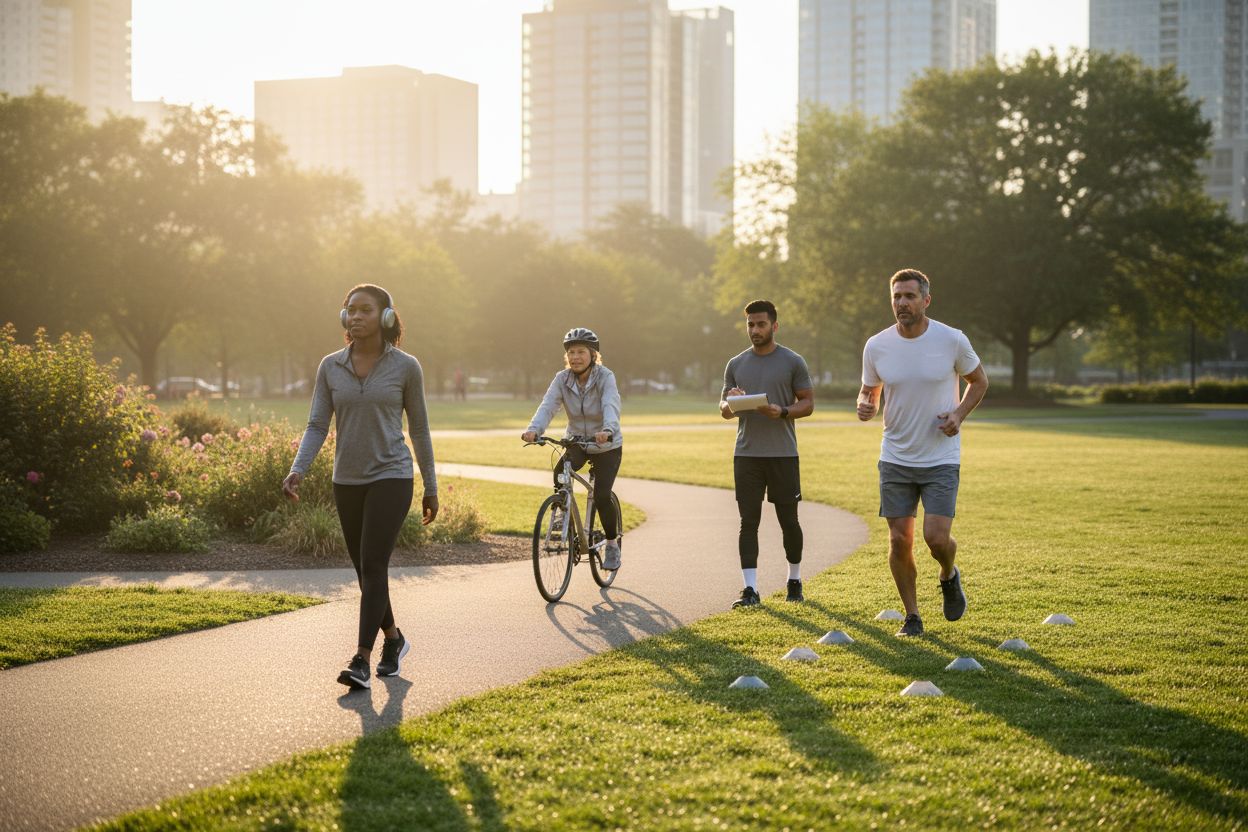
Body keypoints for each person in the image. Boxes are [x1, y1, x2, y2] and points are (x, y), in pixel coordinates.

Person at [282, 284, 439, 690]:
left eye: (365, 310)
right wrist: (298, 469)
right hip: (346, 479)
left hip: (392, 474)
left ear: (386, 317)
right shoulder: (330, 366)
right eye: (350, 310)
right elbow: (317, 424)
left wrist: (430, 486)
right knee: (365, 570)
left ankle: (361, 660)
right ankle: (395, 639)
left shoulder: (406, 367)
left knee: (373, 564)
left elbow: (419, 429)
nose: (355, 316)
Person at [857, 268, 988, 637]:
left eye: (910, 296)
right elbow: (869, 390)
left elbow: (979, 382)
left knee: (936, 538)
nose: (902, 303)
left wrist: (959, 415)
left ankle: (949, 573)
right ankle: (912, 615)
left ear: (926, 300)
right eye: (896, 296)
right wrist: (865, 404)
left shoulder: (952, 340)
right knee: (900, 539)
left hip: (940, 457)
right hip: (895, 456)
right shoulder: (877, 345)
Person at [719, 299, 814, 609]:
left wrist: (782, 411)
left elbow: (808, 403)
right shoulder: (736, 364)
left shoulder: (793, 361)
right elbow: (724, 411)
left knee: (789, 520)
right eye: (750, 324)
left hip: (783, 454)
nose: (755, 330)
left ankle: (795, 580)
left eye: (760, 324)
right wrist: (731, 402)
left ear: (774, 325)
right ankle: (750, 589)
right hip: (746, 455)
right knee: (749, 522)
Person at [521, 328, 623, 571]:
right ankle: (562, 512)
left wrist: (607, 429)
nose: (575, 357)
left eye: (581, 352)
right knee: (560, 473)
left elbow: (610, 404)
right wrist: (534, 429)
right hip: (577, 440)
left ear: (593, 355)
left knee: (601, 495)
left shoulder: (605, 377)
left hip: (606, 444)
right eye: (571, 352)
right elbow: (548, 405)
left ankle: (611, 545)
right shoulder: (562, 379)